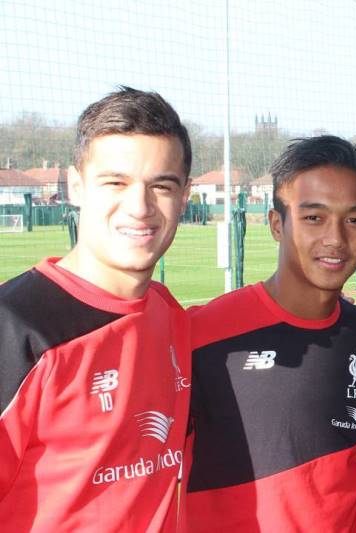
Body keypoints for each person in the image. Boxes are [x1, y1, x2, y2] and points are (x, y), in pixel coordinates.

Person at [0, 87, 193, 531]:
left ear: (183, 196)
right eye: (116, 183)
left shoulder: (169, 316)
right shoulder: (17, 328)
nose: (140, 208)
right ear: (76, 186)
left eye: (161, 186)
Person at [185, 136, 356, 532]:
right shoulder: (203, 335)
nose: (336, 239)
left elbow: (353, 467)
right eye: (314, 218)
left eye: (355, 219)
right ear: (277, 224)